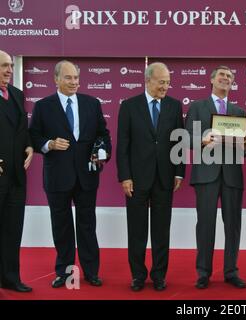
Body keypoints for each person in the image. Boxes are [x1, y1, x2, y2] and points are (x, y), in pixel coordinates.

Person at [29, 60, 111, 288]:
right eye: (68, 78)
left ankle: (91, 272)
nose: (74, 82)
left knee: (87, 225)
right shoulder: (43, 106)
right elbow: (33, 137)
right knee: (62, 226)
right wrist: (50, 144)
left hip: (86, 176)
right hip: (57, 177)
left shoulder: (92, 103)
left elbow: (103, 135)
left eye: (76, 78)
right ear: (56, 79)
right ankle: (64, 272)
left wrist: (102, 153)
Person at [116, 62, 185, 292]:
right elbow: (122, 146)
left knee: (161, 230)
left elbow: (179, 141)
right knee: (136, 230)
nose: (165, 86)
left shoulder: (174, 106)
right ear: (148, 80)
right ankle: (137, 275)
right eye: (161, 82)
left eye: (168, 82)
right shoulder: (129, 106)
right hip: (136, 179)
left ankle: (159, 275)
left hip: (165, 177)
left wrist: (179, 171)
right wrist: (125, 176)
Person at [185, 66, 246, 289]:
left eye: (230, 76)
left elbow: (245, 148)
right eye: (222, 75)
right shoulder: (197, 107)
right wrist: (203, 139)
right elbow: (185, 138)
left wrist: (245, 143)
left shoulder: (239, 112)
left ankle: (231, 271)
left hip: (232, 175)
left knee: (233, 226)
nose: (226, 78)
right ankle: (203, 272)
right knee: (205, 225)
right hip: (206, 175)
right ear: (211, 80)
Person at [0, 50, 33, 293]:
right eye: (4, 66)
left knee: (13, 230)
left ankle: (10, 278)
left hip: (16, 177)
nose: (9, 70)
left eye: (10, 65)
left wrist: (30, 146)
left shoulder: (17, 95)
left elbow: (22, 130)